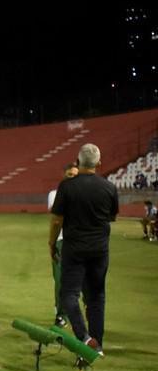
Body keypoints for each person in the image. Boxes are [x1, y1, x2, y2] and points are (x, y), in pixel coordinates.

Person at [49, 144, 118, 355]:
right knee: (97, 297)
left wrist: (52, 244)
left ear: (78, 162)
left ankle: (85, 338)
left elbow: (56, 221)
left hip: (74, 249)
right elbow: (111, 217)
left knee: (68, 294)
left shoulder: (67, 187)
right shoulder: (109, 188)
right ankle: (98, 346)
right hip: (99, 250)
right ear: (99, 163)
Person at [47, 163, 79, 327]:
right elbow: (57, 214)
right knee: (61, 280)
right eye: (69, 175)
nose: (72, 178)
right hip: (61, 241)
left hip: (80, 242)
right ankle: (61, 314)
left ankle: (76, 316)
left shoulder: (83, 193)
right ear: (64, 175)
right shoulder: (54, 194)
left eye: (75, 175)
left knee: (80, 282)